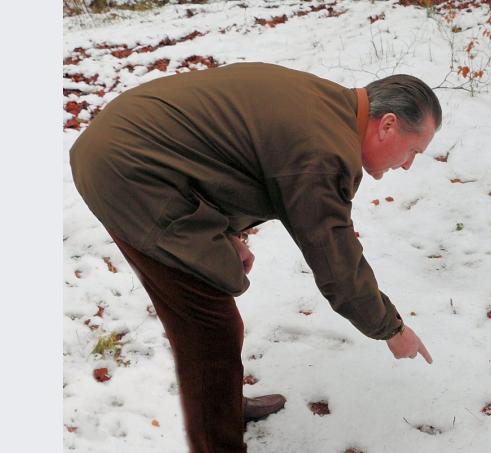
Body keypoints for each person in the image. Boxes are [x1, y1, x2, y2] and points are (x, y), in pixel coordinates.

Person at [69, 62, 441, 452]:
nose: (409, 164)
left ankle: (221, 409)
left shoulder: (329, 108)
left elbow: (227, 158)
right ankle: (218, 440)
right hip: (128, 172)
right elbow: (336, 264)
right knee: (209, 326)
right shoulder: (323, 150)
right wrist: (391, 329)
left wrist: (229, 234)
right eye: (414, 150)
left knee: (207, 318)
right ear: (388, 125)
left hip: (130, 154)